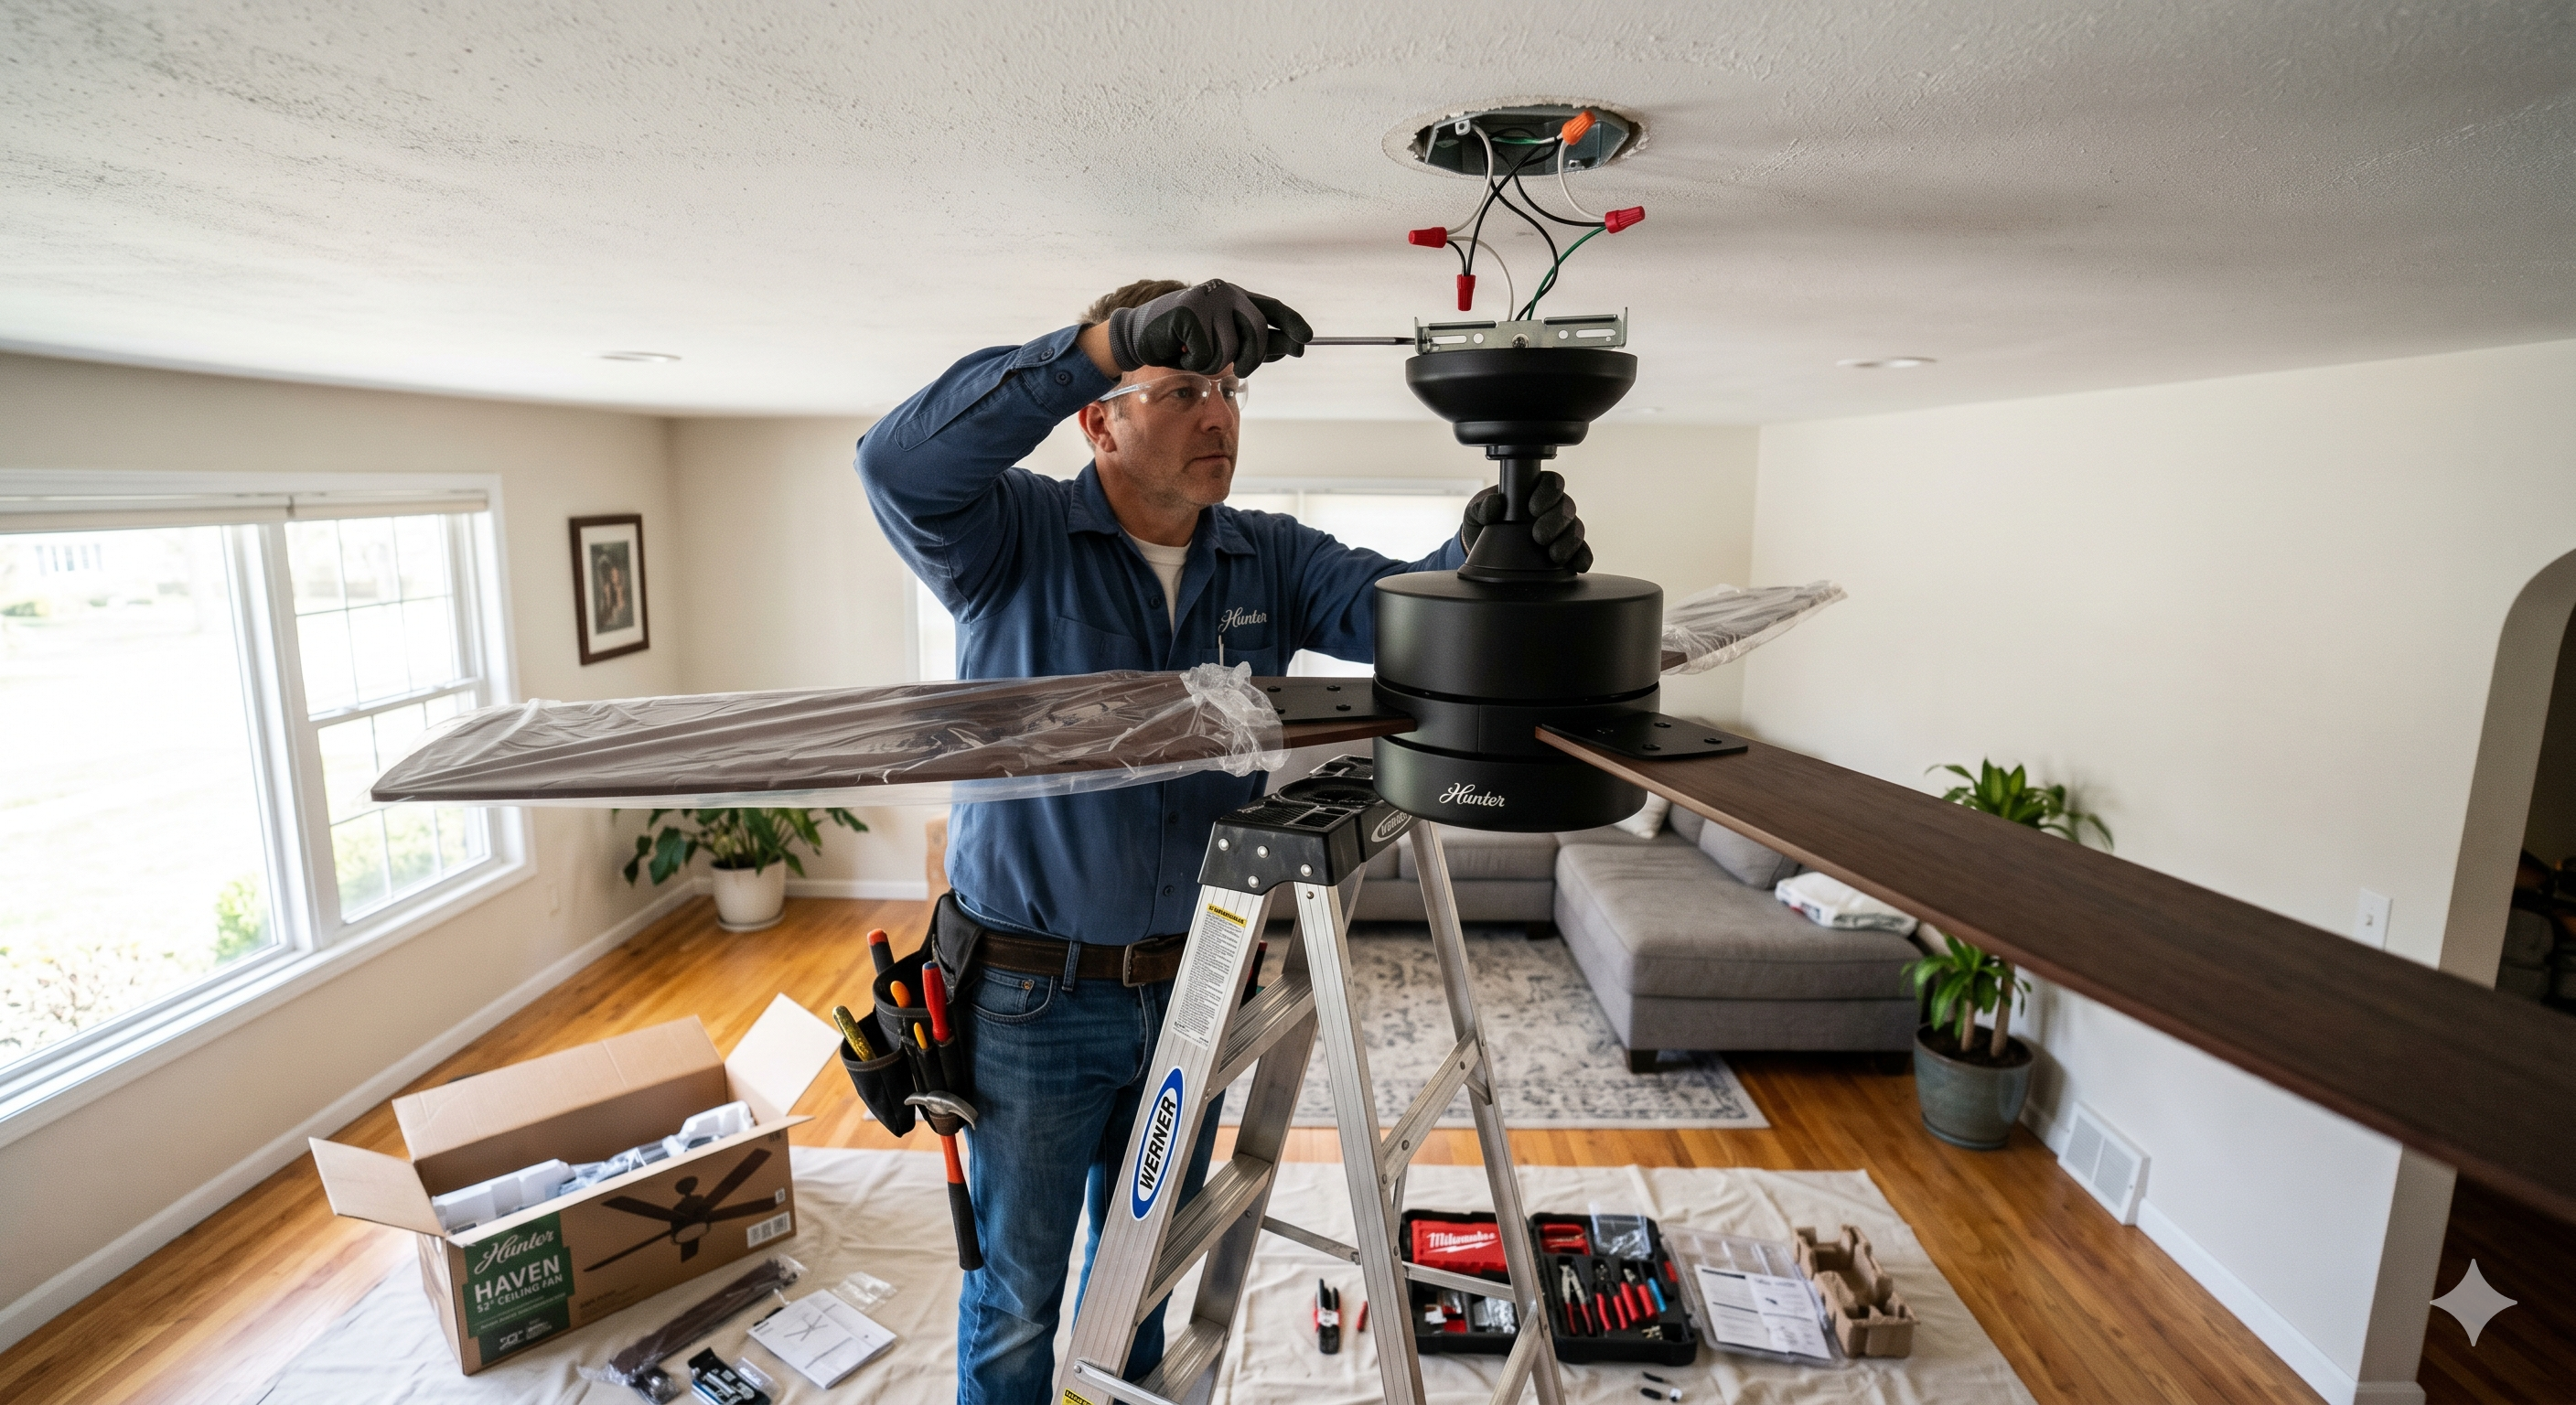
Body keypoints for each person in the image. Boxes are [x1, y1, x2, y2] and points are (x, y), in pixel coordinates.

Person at [857, 277, 1589, 1403]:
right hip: (1026, 1004)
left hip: (1195, 994)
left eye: (1231, 390)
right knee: (1016, 1298)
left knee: (1139, 1278)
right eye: (1182, 386)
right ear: (1099, 416)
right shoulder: (1008, 540)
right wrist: (1101, 345)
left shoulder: (1268, 559)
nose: (1219, 415)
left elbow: (1413, 613)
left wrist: (1494, 556)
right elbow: (894, 464)